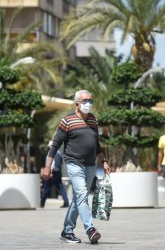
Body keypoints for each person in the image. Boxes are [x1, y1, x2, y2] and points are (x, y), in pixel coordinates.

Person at [43, 90, 111, 244]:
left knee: (79, 199)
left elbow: (96, 143)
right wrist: (47, 166)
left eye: (90, 101)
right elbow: (55, 145)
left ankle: (67, 231)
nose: (89, 104)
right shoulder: (67, 121)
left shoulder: (93, 120)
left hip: (90, 165)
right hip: (74, 164)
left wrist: (104, 161)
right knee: (81, 195)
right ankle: (90, 229)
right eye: (85, 101)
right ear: (77, 104)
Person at [40, 141, 69, 208]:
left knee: (46, 188)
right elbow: (60, 163)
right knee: (61, 188)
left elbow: (51, 163)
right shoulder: (58, 153)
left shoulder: (50, 153)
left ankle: (42, 203)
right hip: (58, 172)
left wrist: (50, 172)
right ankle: (66, 202)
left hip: (52, 173)